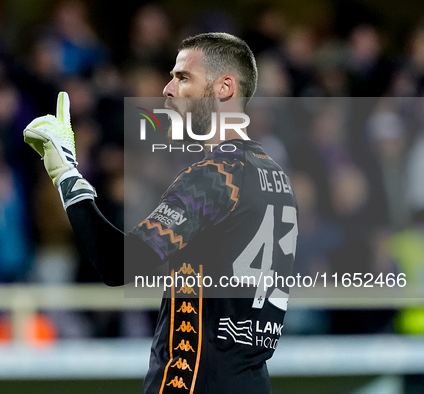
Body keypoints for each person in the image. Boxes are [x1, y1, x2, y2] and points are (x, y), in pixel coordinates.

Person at [23, 32, 297, 393]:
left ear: (224, 87)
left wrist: (67, 175)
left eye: (183, 78)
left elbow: (118, 264)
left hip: (195, 382)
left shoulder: (215, 176)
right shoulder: (276, 176)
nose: (167, 89)